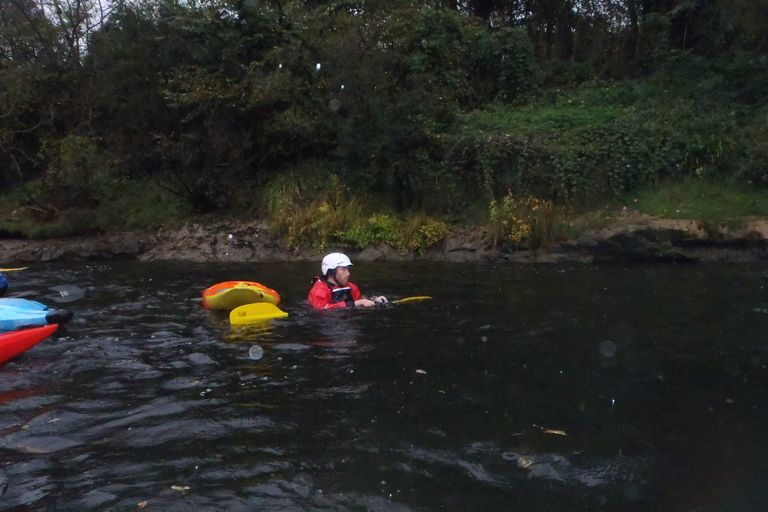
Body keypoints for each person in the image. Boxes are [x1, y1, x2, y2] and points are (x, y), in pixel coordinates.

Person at [308, 252, 387, 310]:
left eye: (348, 269)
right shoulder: (319, 290)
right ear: (331, 272)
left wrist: (374, 301)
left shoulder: (352, 287)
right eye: (343, 269)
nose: (348, 273)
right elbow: (321, 310)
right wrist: (355, 303)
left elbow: (359, 301)